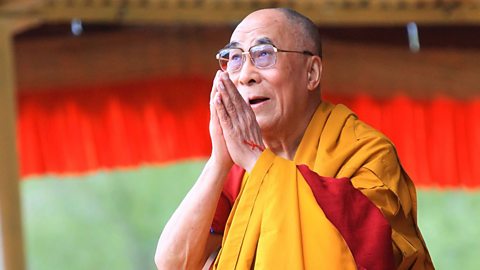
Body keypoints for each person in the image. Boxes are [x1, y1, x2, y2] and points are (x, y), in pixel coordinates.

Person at [155, 7, 433, 270]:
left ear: (311, 73)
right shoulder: (238, 173)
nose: (245, 76)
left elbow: (374, 254)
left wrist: (257, 162)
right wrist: (219, 161)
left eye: (264, 54)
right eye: (235, 58)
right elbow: (174, 263)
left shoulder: (365, 152)